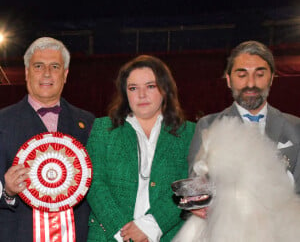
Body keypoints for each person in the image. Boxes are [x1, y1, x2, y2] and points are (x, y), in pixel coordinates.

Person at [86, 55, 195, 242]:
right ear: (125, 93)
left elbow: (189, 183)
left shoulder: (189, 133)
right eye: (133, 88)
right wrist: (123, 232)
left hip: (170, 235)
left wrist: (152, 225)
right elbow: (94, 183)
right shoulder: (102, 129)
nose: (141, 95)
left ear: (165, 89)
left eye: (150, 86)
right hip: (109, 236)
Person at [188, 40, 300, 217]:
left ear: (271, 78)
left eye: (260, 74)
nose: (250, 84)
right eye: (242, 75)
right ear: (228, 80)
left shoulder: (295, 127)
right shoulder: (208, 126)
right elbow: (195, 185)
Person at [0, 37, 95, 242]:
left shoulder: (89, 123)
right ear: (26, 73)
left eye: (55, 66)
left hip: (77, 236)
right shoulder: (2, 122)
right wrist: (6, 190)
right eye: (38, 66)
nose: (46, 73)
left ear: (65, 74)